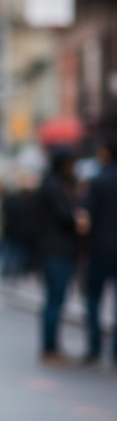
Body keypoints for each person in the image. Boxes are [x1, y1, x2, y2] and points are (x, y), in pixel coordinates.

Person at [34, 148, 79, 364]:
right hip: (56, 251)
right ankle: (50, 348)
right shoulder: (55, 186)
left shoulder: (50, 185)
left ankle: (50, 347)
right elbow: (65, 217)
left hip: (52, 250)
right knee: (54, 300)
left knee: (53, 300)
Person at [84, 135, 117, 362]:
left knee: (93, 300)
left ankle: (95, 348)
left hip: (100, 250)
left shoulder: (98, 182)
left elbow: (86, 218)